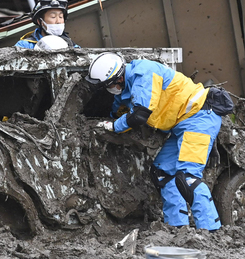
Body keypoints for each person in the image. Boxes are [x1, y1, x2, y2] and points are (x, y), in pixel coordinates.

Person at [85, 52, 230, 231]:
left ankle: (211, 230)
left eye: (108, 85)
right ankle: (177, 228)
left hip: (198, 118)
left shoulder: (144, 73)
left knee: (188, 177)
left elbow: (139, 114)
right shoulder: (126, 88)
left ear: (118, 78)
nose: (109, 90)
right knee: (162, 172)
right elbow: (120, 110)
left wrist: (114, 126)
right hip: (182, 125)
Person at [15, 0, 80, 49]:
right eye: (53, 17)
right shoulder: (24, 46)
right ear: (39, 21)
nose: (58, 21)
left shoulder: (71, 45)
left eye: (61, 17)